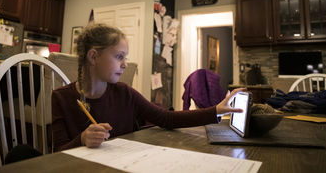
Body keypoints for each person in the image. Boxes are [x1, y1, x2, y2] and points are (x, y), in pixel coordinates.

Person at [52, 23, 245, 151]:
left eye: (125, 57)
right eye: (119, 56)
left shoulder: (125, 93)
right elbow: (56, 152)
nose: (125, 64)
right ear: (93, 56)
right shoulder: (61, 98)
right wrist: (82, 139)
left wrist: (216, 111)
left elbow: (166, 118)